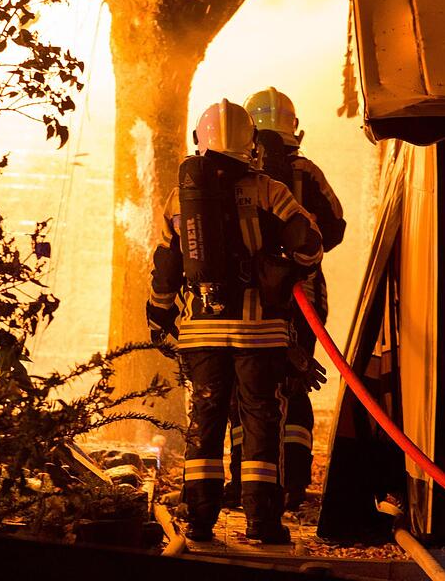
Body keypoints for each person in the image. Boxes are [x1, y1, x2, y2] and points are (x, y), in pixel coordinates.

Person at [146, 99, 323, 544]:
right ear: (251, 145)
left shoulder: (179, 199)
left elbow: (166, 266)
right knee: (263, 420)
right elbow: (311, 243)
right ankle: (263, 524)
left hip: (201, 333)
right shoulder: (270, 191)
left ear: (200, 142)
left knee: (204, 420)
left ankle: (200, 523)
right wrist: (282, 269)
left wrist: (159, 313)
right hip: (260, 334)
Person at [225, 87, 346, 511]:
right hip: (305, 297)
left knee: (249, 384)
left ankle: (244, 480)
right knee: (294, 384)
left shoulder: (235, 176)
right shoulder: (307, 172)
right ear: (294, 129)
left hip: (250, 297)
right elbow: (334, 227)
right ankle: (293, 481)